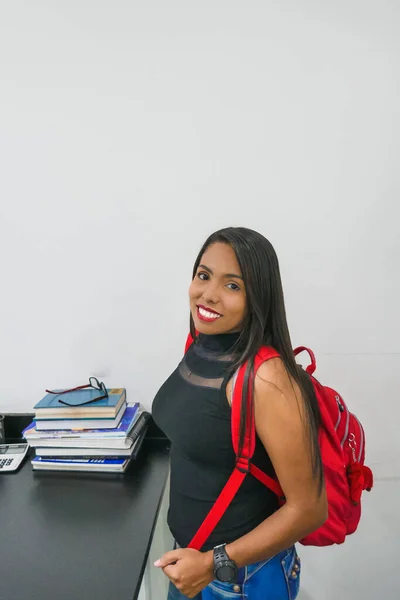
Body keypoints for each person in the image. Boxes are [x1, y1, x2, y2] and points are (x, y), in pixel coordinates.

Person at [152, 227, 328, 599]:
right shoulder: (202, 344)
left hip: (238, 580)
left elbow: (310, 509)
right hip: (190, 564)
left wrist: (211, 563)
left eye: (233, 286)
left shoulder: (267, 379)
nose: (208, 294)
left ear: (257, 298)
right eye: (204, 275)